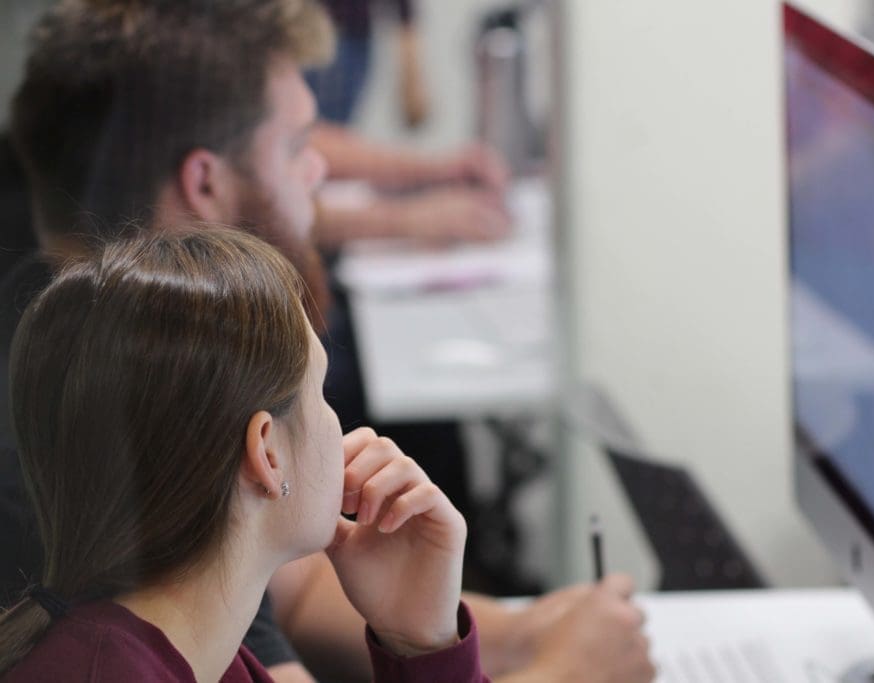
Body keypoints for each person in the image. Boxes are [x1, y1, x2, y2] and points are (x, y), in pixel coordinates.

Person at [2, 2, 656, 682]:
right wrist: (569, 670)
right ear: (203, 184)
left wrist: (515, 629)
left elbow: (301, 589)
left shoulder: (103, 341)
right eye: (294, 146)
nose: (318, 174)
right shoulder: (87, 442)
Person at [0, 228, 485, 682]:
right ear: (267, 454)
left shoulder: (196, 655)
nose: (343, 426)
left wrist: (421, 640)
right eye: (320, 392)